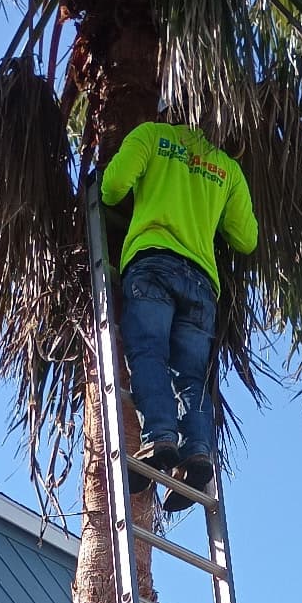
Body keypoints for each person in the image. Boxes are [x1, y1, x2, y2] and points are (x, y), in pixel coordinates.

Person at [99, 116, 257, 511]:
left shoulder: (152, 135)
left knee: (148, 353)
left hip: (152, 264)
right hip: (202, 284)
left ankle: (160, 436)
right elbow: (246, 238)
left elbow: (113, 188)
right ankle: (198, 450)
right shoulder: (227, 167)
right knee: (191, 374)